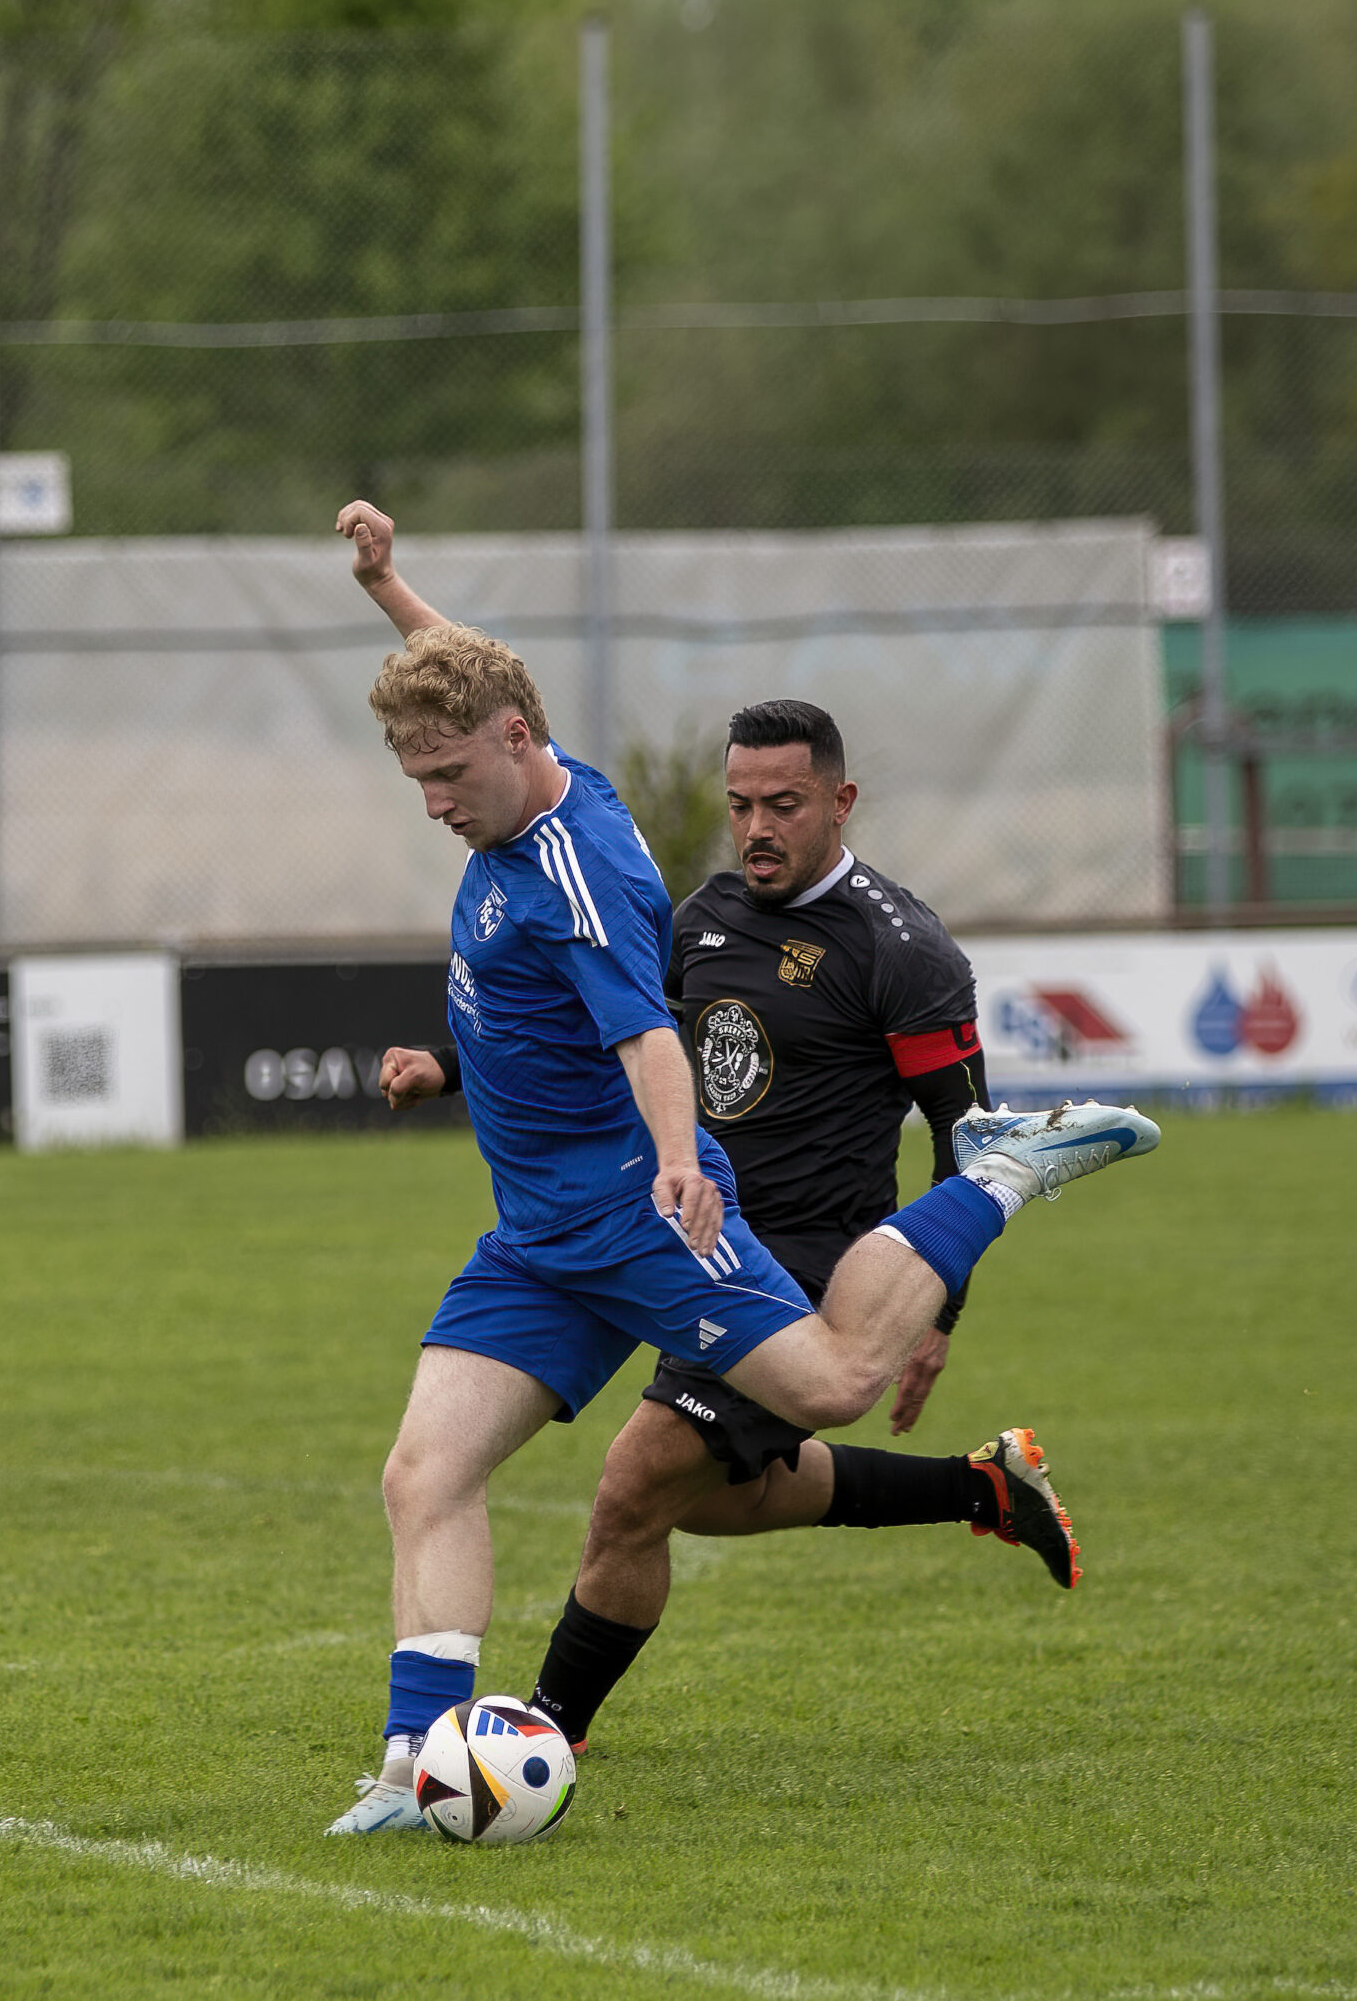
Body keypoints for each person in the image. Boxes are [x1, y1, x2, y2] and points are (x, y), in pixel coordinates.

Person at [325, 500, 1159, 1834]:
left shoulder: (575, 869)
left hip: (631, 1211)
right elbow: (474, 677)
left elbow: (649, 1038)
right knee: (421, 1476)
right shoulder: (531, 764)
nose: (432, 804)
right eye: (415, 779)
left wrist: (675, 1165)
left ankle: (996, 1175)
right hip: (537, 1235)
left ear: (513, 750)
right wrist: (388, 589)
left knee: (831, 1378)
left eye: (444, 781)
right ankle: (407, 1769)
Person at [524, 697, 1075, 1761]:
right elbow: (626, 1031)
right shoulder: (705, 918)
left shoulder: (899, 950)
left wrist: (933, 1310)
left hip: (812, 1267)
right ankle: (985, 1484)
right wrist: (449, 1066)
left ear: (840, 800)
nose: (756, 827)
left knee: (633, 1488)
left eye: (783, 803)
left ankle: (540, 1739)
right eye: (739, 805)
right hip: (700, 1251)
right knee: (714, 1502)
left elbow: (972, 1141)